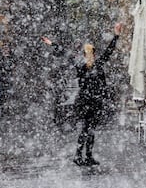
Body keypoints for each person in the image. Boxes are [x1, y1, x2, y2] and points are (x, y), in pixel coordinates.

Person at [42, 22, 122, 166]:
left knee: (87, 129)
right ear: (94, 53)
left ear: (84, 53)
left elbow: (64, 52)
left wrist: (51, 43)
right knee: (89, 129)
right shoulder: (96, 64)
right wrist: (116, 35)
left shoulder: (80, 64)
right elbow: (109, 51)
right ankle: (83, 155)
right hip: (92, 101)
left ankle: (83, 155)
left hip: (85, 101)